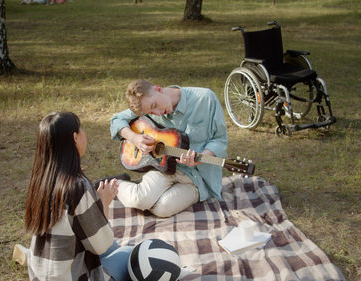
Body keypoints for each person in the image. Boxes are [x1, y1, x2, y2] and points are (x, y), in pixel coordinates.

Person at [16, 112, 133, 281]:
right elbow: (101, 245)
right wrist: (103, 204)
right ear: (75, 138)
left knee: (115, 248)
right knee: (132, 254)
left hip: (43, 273)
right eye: (82, 129)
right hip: (73, 276)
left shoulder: (41, 181)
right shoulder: (77, 187)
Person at [110, 79, 228, 217]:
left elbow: (220, 140)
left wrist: (201, 157)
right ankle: (116, 183)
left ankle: (148, 193)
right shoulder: (147, 107)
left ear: (158, 89)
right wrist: (134, 138)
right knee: (138, 200)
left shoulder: (205, 99)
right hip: (163, 168)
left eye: (155, 105)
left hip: (197, 178)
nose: (157, 113)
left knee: (163, 209)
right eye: (151, 112)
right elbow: (116, 120)